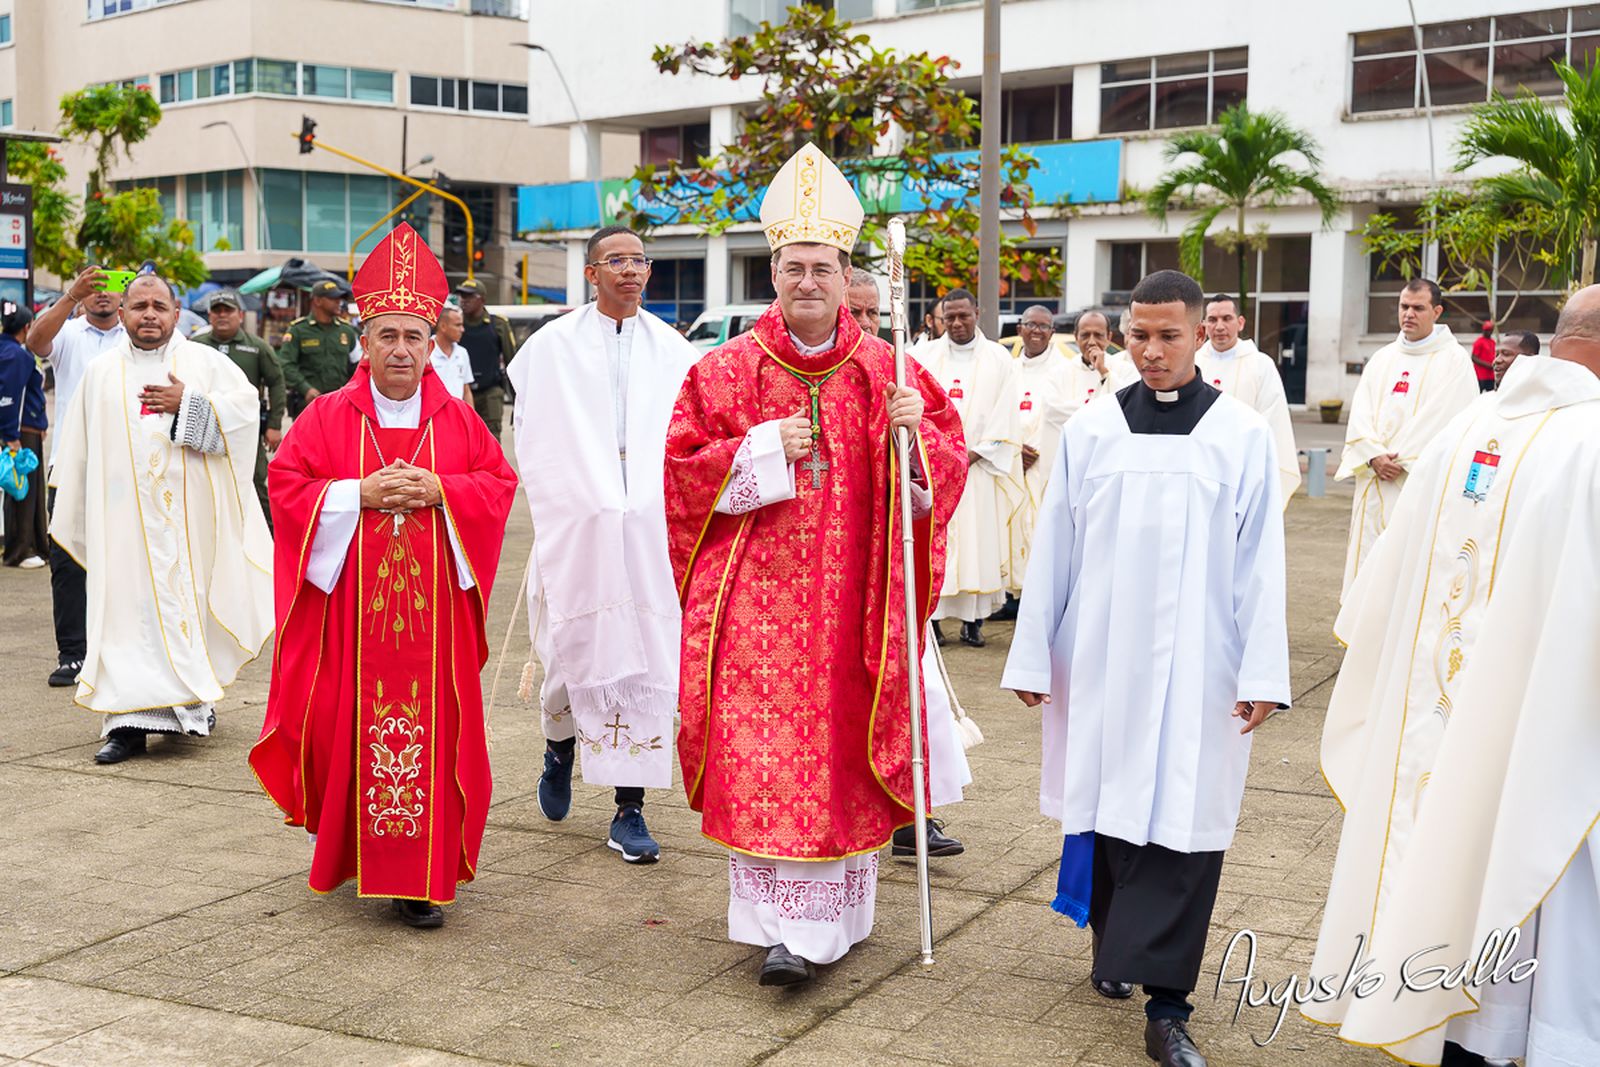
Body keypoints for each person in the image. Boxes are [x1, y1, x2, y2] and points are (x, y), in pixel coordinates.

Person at [663, 143, 966, 986]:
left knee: (837, 758)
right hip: (752, 612)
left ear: (844, 277)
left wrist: (915, 442)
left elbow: (943, 469)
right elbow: (681, 476)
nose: (807, 281)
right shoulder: (721, 371)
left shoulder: (887, 370)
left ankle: (826, 928)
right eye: (794, 267)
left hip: (851, 608)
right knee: (761, 759)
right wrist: (762, 449)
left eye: (822, 268)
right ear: (773, 272)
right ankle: (775, 932)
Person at [1304, 285, 1600, 1067]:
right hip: (1546, 750)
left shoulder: (1467, 427)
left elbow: (1374, 601)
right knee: (1546, 935)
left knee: (1445, 856)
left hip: (1437, 747)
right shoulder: (1593, 443)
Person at [1003, 270, 1289, 1067]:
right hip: (1101, 658)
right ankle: (1115, 944)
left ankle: (1168, 1008)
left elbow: (1261, 560)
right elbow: (1055, 547)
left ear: (1201, 334)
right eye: (1140, 335)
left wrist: (1263, 671)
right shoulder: (1094, 430)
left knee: (1185, 823)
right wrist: (1033, 651)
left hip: (1201, 663)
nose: (1153, 350)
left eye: (1169, 335)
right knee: (1106, 807)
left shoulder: (1239, 434)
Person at [250, 223, 517, 929]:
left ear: (432, 345)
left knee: (438, 735)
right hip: (352, 622)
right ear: (363, 342)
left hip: (437, 625)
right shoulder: (326, 416)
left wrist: (443, 490)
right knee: (344, 727)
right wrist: (355, 494)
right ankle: (358, 853)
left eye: (413, 337)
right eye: (387, 335)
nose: (401, 349)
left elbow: (498, 484)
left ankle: (419, 877)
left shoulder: (460, 421)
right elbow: (286, 486)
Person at [507, 224, 699, 865]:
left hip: (647, 532)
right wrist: (580, 497)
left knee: (647, 661)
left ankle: (629, 807)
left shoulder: (675, 351)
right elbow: (532, 435)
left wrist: (648, 498)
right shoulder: (551, 347)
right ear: (591, 273)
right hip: (578, 527)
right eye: (616, 260)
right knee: (567, 656)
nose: (631, 270)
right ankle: (559, 747)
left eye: (640, 260)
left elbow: (688, 437)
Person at [48, 274, 274, 765]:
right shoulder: (101, 373)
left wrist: (189, 405)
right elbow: (79, 452)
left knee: (185, 609)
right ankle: (125, 727)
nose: (149, 314)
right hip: (121, 526)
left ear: (176, 313)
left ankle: (191, 708)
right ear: (122, 314)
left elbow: (245, 417)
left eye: (158, 306)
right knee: (123, 616)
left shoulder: (206, 363)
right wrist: (83, 513)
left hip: (188, 523)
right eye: (139, 306)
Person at [1335, 279, 1477, 597]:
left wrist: (1402, 459)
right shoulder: (1383, 358)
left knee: (1408, 566)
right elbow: (1361, 412)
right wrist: (1373, 455)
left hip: (1416, 481)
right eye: (1404, 307)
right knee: (1367, 560)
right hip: (1375, 477)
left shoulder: (1454, 361)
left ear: (1437, 312)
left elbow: (1448, 418)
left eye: (1418, 308)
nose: (1408, 314)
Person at [27, 266, 126, 687]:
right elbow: (35, 341)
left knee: (123, 559)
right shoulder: (68, 334)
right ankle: (73, 654)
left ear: (123, 294)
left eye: (110, 286)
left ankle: (119, 650)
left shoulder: (134, 337)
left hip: (123, 466)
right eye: (93, 287)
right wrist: (70, 296)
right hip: (69, 466)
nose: (101, 294)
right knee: (68, 562)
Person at [920, 288, 1023, 648]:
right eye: (949, 317)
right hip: (937, 471)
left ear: (977, 313)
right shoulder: (923, 356)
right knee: (938, 547)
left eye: (963, 315)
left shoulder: (999, 358)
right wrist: (942, 456)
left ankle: (973, 622)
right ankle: (933, 623)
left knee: (978, 547)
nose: (957, 323)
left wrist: (969, 457)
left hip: (978, 471)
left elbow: (1005, 415)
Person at [1195, 294, 1301, 506]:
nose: (1219, 326)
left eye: (1227, 318)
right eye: (1213, 320)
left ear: (1240, 322)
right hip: (1200, 464)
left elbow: (1272, 416)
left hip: (1244, 465)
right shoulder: (1193, 361)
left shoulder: (1260, 364)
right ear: (1204, 325)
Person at [191, 289, 283, 527]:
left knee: (256, 482)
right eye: (217, 311)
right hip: (203, 430)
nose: (222, 315)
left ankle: (269, 537)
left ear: (240, 315)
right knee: (203, 482)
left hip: (246, 430)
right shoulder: (195, 346)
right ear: (210, 316)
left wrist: (274, 425)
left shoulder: (257, 347)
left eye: (228, 310)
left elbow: (276, 383)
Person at [1008, 305, 1076, 591]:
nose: (1037, 331)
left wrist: (1034, 449)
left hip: (1043, 462)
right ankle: (1011, 594)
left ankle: (1037, 591)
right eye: (1031, 325)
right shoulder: (1009, 368)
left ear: (1052, 332)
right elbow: (998, 411)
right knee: (1011, 528)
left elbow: (1061, 414)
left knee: (1039, 527)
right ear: (1019, 329)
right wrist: (1013, 448)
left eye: (1043, 326)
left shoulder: (1063, 370)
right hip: (1010, 461)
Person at [1, 308, 47, 568]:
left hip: (28, 428)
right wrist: (10, 435)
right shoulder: (16, 354)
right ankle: (20, 551)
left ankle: (35, 544)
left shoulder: (11, 350)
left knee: (29, 489)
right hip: (21, 432)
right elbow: (10, 396)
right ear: (26, 327)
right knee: (21, 490)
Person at [278, 279, 358, 416]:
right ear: (317, 301)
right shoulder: (298, 330)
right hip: (307, 405)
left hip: (340, 404)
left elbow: (357, 365)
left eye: (339, 298)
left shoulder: (347, 331)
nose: (338, 302)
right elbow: (286, 364)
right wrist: (306, 388)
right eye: (333, 298)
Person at [454, 279, 516, 441]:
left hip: (490, 393)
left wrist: (517, 399)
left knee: (491, 439)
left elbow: (512, 363)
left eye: (469, 296)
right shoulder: (453, 324)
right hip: (461, 391)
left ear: (482, 299)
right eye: (461, 296)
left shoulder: (498, 324)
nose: (463, 300)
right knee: (462, 439)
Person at [429, 305, 473, 403]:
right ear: (443, 326)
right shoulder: (426, 352)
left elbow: (466, 390)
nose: (462, 329)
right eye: (457, 325)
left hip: (457, 410)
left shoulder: (462, 353)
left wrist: (470, 412)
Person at [1471, 317, 1497, 392]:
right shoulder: (1479, 342)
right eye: (1487, 330)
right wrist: (1488, 365)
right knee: (1478, 393)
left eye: (1490, 330)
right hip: (1480, 375)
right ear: (1483, 330)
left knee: (1491, 394)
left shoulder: (1492, 342)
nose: (1489, 332)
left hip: (1490, 375)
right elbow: (1474, 358)